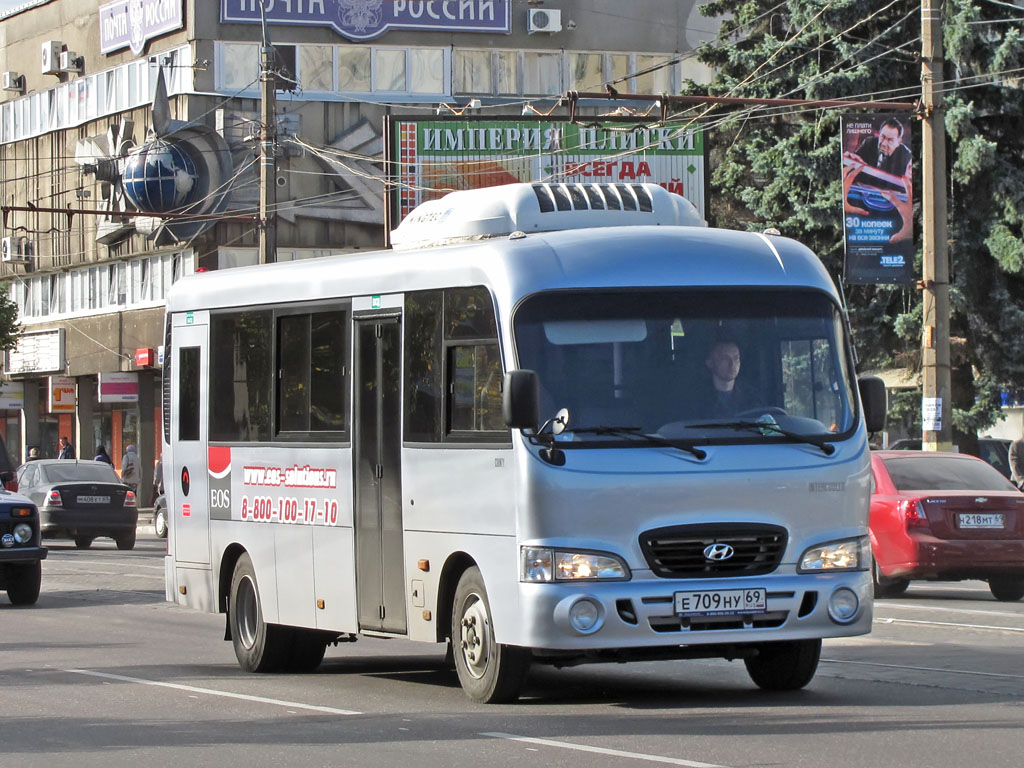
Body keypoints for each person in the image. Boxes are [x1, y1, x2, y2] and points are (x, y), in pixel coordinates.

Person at [843, 118, 913, 243]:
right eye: (882, 137)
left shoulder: (906, 156)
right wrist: (852, 163)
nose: (884, 143)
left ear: (899, 141)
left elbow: (901, 188)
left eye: (890, 140)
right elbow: (857, 173)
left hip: (890, 212)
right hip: (862, 206)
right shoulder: (870, 143)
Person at [691, 339, 758, 419]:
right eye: (725, 358)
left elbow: (767, 429)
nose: (732, 364)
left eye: (736, 358)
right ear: (710, 363)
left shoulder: (751, 397)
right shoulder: (696, 400)